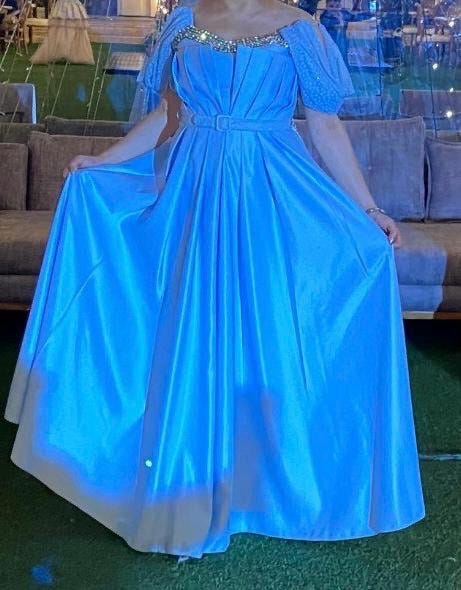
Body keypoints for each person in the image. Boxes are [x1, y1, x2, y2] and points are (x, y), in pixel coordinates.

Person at [4, 0, 425, 561]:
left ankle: (261, 485)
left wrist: (368, 209)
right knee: (191, 333)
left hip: (268, 195)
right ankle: (186, 480)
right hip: (192, 194)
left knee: (263, 336)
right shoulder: (184, 20)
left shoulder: (300, 30)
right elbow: (168, 114)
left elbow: (325, 126)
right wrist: (104, 160)